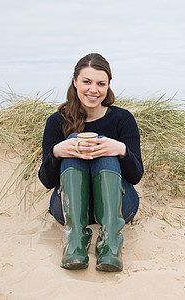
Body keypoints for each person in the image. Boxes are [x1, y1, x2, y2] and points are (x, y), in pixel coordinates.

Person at [38, 53, 143, 272]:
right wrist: (58, 151)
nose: (93, 90)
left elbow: (135, 176)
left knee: (105, 145)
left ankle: (111, 242)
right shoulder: (57, 121)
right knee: (72, 142)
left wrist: (121, 150)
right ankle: (75, 238)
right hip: (70, 209)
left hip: (119, 207)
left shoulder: (122, 119)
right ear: (75, 81)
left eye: (100, 83)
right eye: (87, 82)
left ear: (108, 86)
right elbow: (46, 181)